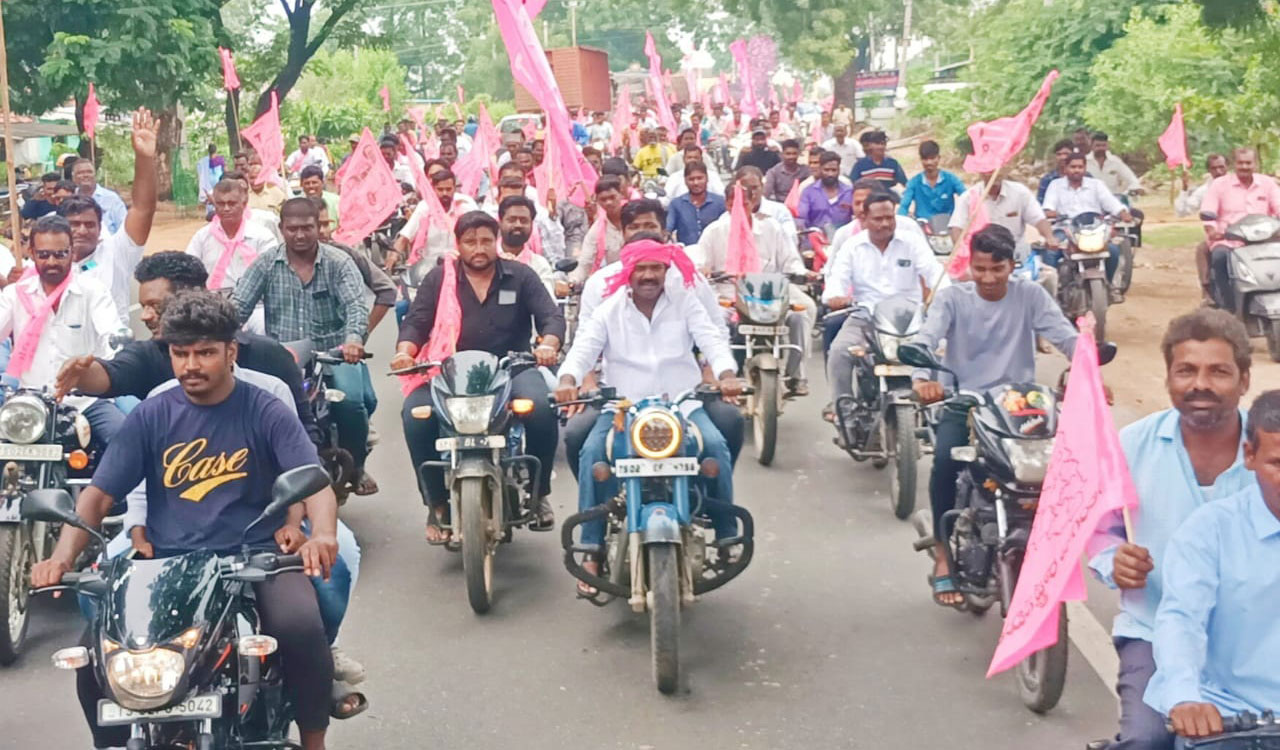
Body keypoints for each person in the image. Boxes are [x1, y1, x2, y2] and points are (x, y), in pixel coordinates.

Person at [32, 292, 339, 750]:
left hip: (252, 561)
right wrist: (59, 557)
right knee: (96, 658)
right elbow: (97, 497)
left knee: (300, 628)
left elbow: (313, 483)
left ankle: (314, 740)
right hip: (167, 566)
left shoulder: (264, 409)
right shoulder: (153, 414)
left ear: (230, 352)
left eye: (205, 352)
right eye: (181, 353)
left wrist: (325, 535)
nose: (191, 365)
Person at [1081, 308, 1254, 750]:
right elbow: (1101, 529)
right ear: (1168, 379)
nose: (1201, 384)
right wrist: (1112, 560)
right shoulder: (1131, 446)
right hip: (1154, 632)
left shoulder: (1270, 451)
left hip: (1258, 641)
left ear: (1244, 380)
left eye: (1218, 371)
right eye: (1186, 371)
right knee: (1147, 740)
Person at [555, 238, 744, 595]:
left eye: (655, 268)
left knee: (716, 447)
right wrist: (567, 380)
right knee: (593, 455)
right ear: (628, 272)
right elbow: (583, 349)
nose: (648, 276)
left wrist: (726, 374)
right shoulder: (610, 309)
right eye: (640, 269)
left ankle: (726, 535)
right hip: (624, 409)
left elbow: (712, 340)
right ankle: (592, 549)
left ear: (665, 270)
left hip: (682, 406)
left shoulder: (685, 302)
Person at [911, 224, 1078, 607]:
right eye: (980, 269)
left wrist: (1089, 370)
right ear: (970, 265)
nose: (988, 278)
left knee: (1055, 471)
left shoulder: (1031, 296)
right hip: (965, 402)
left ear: (1012, 266)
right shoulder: (953, 298)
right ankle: (942, 555)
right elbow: (927, 337)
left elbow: (1066, 337)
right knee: (944, 463)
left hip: (1020, 407)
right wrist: (923, 378)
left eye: (997, 269)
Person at [392, 211, 563, 542]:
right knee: (415, 415)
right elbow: (416, 321)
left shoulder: (521, 275)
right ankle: (437, 504)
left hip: (512, 367)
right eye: (470, 241)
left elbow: (551, 318)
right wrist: (404, 352)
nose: (479, 248)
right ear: (459, 244)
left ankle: (539, 494)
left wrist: (549, 345)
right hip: (449, 369)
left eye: (486, 240)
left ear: (495, 242)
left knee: (541, 409)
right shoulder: (439, 279)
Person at [1144, 389, 1280, 744]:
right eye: (1279, 464)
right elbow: (1182, 619)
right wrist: (1185, 698)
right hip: (1235, 721)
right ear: (1250, 456)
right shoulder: (1209, 531)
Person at [232, 198, 377, 496]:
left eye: (307, 228)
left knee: (351, 402)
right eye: (292, 229)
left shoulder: (339, 263)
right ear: (282, 229)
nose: (300, 235)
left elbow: (355, 306)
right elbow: (238, 306)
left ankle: (357, 466)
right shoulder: (266, 264)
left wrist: (352, 340)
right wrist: (221, 334)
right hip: (282, 359)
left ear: (318, 227)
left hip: (334, 356)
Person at [0, 215, 126, 458]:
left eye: (60, 254)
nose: (51, 262)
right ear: (32, 252)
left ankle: (114, 497)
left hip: (87, 402)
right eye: (44, 254)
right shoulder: (16, 294)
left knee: (125, 442)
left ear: (72, 253)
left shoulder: (92, 291)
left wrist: (104, 360)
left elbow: (111, 337)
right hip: (30, 404)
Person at [824, 194, 942, 427]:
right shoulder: (852, 246)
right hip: (865, 318)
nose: (885, 224)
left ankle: (938, 413)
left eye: (890, 217)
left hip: (911, 320)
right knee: (838, 352)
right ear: (864, 218)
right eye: (878, 219)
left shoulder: (912, 242)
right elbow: (837, 279)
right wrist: (835, 297)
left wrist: (944, 294)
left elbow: (934, 272)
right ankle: (844, 413)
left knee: (938, 354)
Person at [697, 168, 813, 395]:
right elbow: (701, 263)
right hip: (728, 295)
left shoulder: (772, 227)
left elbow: (790, 260)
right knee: (716, 322)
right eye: (733, 204)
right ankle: (722, 373)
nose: (739, 208)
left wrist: (801, 272)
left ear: (752, 203)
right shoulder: (714, 232)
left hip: (769, 294)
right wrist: (704, 269)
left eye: (744, 203)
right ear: (727, 205)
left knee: (799, 316)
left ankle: (796, 376)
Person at [59, 107, 159, 327]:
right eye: (74, 225)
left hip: (111, 354)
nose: (82, 230)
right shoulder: (48, 261)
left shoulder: (116, 253)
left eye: (89, 224)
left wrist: (144, 158)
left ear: (100, 227)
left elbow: (143, 209)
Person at [185, 178, 281, 334]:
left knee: (265, 328)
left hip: (256, 307)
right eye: (221, 204)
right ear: (214, 205)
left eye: (232, 203)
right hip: (213, 306)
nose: (226, 208)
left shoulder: (262, 236)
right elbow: (189, 272)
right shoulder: (202, 237)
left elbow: (274, 275)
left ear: (244, 204)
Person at [1042, 151, 1136, 302]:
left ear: (1085, 168)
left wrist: (1123, 213)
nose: (1076, 170)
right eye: (1073, 167)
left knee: (1112, 251)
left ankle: (1110, 286)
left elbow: (1112, 204)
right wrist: (1050, 213)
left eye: (1080, 167)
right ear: (1066, 168)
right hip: (1066, 229)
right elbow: (1048, 207)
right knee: (1051, 253)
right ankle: (1049, 293)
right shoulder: (1055, 186)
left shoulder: (1096, 185)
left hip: (1093, 230)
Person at [1200, 147, 1280, 311]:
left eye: (1248, 163)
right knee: (1219, 257)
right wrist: (1212, 230)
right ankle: (1227, 306)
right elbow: (1209, 211)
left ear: (1255, 164)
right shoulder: (1219, 185)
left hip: (1263, 240)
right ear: (1234, 165)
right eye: (1240, 163)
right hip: (1229, 240)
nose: (1244, 166)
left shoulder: (1267, 183)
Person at [311, 198, 396, 335]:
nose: (322, 231)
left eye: (325, 224)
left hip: (341, 346)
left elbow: (387, 291)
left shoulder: (345, 255)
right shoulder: (281, 260)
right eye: (315, 225)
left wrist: (362, 334)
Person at [387, 167, 478, 270]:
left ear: (454, 188)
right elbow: (405, 237)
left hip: (460, 267)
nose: (444, 193)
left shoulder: (466, 205)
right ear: (433, 189)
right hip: (428, 268)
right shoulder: (424, 207)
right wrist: (393, 258)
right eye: (440, 189)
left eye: (448, 189)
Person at [1175, 154, 1230, 304]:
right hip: (1218, 237)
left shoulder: (1238, 185)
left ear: (1228, 167)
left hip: (1245, 235)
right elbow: (1182, 211)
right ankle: (1206, 290)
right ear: (1209, 170)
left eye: (1221, 167)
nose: (1218, 171)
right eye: (1214, 168)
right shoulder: (1205, 190)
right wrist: (1184, 189)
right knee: (1202, 249)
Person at [496, 195, 556, 294]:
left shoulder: (539, 265)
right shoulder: (487, 259)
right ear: (500, 222)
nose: (518, 225)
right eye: (512, 220)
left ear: (532, 225)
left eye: (524, 221)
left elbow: (545, 304)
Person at [572, 175, 627, 283]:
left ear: (621, 194)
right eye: (603, 199)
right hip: (613, 282)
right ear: (597, 200)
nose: (608, 203)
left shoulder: (636, 220)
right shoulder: (597, 230)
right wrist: (572, 281)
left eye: (612, 197)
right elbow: (585, 262)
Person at [899, 140, 966, 220]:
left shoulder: (951, 179)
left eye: (932, 158)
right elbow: (904, 206)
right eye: (925, 159)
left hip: (948, 224)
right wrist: (901, 220)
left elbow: (966, 197)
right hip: (923, 226)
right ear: (921, 160)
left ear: (938, 158)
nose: (929, 162)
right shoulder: (914, 183)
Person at [666, 161, 726, 246]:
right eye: (691, 179)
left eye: (700, 178)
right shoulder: (676, 204)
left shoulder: (720, 202)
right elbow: (668, 228)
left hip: (715, 252)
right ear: (685, 181)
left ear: (707, 178)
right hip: (687, 253)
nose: (696, 183)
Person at [797, 151, 854, 236]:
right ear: (820, 169)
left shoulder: (849, 192)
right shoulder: (808, 192)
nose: (830, 174)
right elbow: (802, 220)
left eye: (834, 170)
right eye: (826, 170)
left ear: (839, 170)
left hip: (844, 240)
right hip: (816, 240)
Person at [70, 157, 127, 235]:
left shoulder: (112, 199)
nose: (85, 175)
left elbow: (124, 228)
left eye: (89, 172)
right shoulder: (70, 199)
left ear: (95, 175)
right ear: (73, 177)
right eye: (80, 173)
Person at [1088, 131, 1142, 196]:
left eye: (1103, 145)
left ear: (1108, 145)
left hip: (1113, 201)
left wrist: (1126, 194)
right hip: (1090, 202)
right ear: (1091, 145)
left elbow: (1133, 181)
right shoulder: (1085, 162)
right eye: (1098, 145)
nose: (1101, 148)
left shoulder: (1115, 161)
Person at [1037, 139, 1075, 204]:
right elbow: (1040, 203)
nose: (1062, 157)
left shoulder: (1085, 177)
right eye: (1059, 154)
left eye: (1066, 154)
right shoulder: (1047, 179)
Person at [196, 143, 226, 218]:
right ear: (216, 150)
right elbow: (225, 170)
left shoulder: (203, 162)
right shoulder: (220, 159)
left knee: (209, 199)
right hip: (218, 181)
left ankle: (211, 215)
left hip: (209, 183)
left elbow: (201, 173)